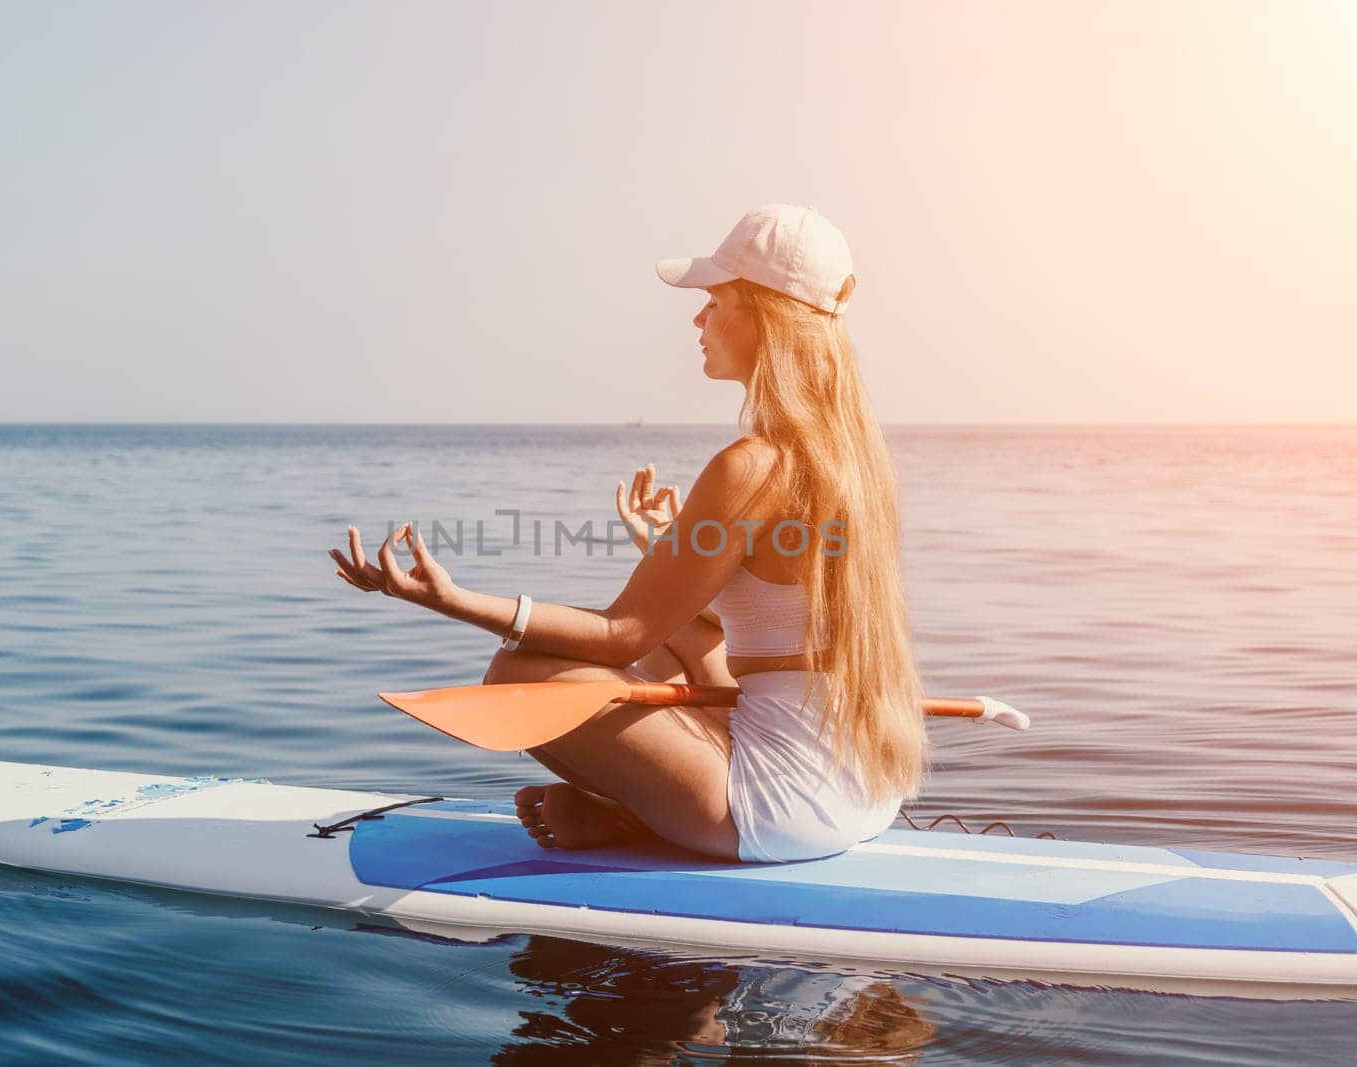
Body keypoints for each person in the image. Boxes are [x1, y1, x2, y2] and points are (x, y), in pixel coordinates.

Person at [329, 203, 926, 863]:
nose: (699, 318)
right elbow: (743, 634)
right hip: (868, 787)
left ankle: (636, 816)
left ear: (763, 315)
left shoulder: (752, 466)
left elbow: (623, 633)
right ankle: (631, 815)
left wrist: (448, 598)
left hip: (783, 805)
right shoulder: (855, 464)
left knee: (517, 673)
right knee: (676, 650)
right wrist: (670, 551)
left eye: (714, 301)